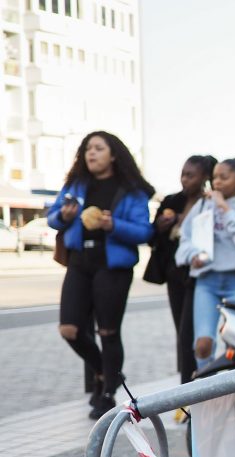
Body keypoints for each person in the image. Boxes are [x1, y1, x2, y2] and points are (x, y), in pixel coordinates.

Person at [48, 131, 154, 419]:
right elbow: (53, 215)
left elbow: (145, 231)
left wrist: (112, 224)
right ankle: (104, 372)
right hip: (80, 261)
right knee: (69, 328)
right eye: (87, 149)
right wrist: (65, 217)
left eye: (98, 148)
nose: (90, 153)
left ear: (114, 154)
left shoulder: (131, 190)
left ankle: (107, 392)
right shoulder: (76, 184)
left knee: (108, 331)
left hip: (113, 265)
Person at [175, 158, 235, 369]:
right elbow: (185, 237)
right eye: (214, 177)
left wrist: (224, 208)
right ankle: (205, 389)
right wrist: (193, 256)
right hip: (207, 281)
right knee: (202, 343)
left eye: (224, 177)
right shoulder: (203, 206)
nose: (217, 182)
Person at [147, 155, 216, 384]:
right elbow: (152, 236)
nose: (185, 180)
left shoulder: (209, 202)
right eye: (183, 174)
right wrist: (161, 226)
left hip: (199, 273)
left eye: (191, 175)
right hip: (174, 272)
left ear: (204, 177)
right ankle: (187, 383)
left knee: (194, 333)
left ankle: (196, 382)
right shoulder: (171, 201)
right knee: (182, 331)